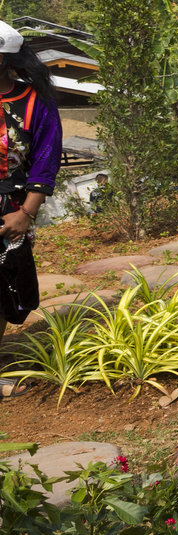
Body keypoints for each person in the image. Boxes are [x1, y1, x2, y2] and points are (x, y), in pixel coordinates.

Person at [0, 22, 62, 350]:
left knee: (5, 289)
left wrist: (26, 212)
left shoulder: (34, 100)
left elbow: (46, 158)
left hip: (9, 208)